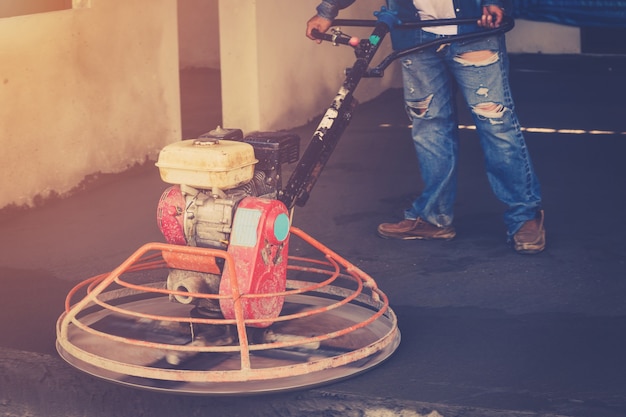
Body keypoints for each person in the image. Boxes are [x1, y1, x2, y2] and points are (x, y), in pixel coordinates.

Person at [306, 0, 546, 254]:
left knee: (496, 125)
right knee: (429, 127)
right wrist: (328, 10)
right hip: (415, 34)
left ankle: (524, 216)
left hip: (473, 31)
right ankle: (434, 217)